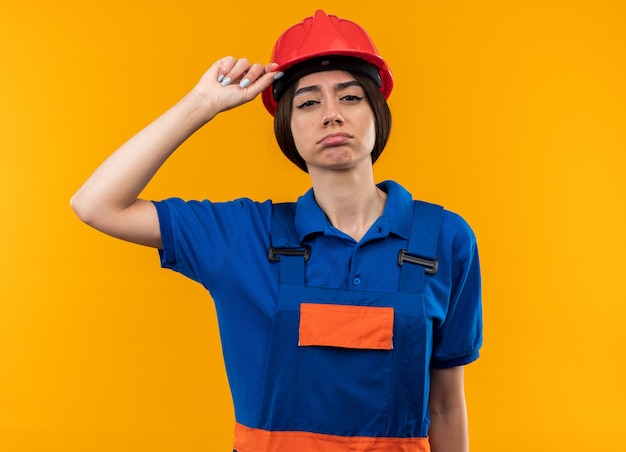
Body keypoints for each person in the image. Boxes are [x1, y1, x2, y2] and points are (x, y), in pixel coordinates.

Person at [71, 10, 482, 452]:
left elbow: (445, 405)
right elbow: (96, 205)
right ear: (286, 125)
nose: (331, 116)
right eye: (308, 102)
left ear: (376, 111)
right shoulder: (243, 236)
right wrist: (202, 104)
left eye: (349, 97)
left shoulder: (443, 239)